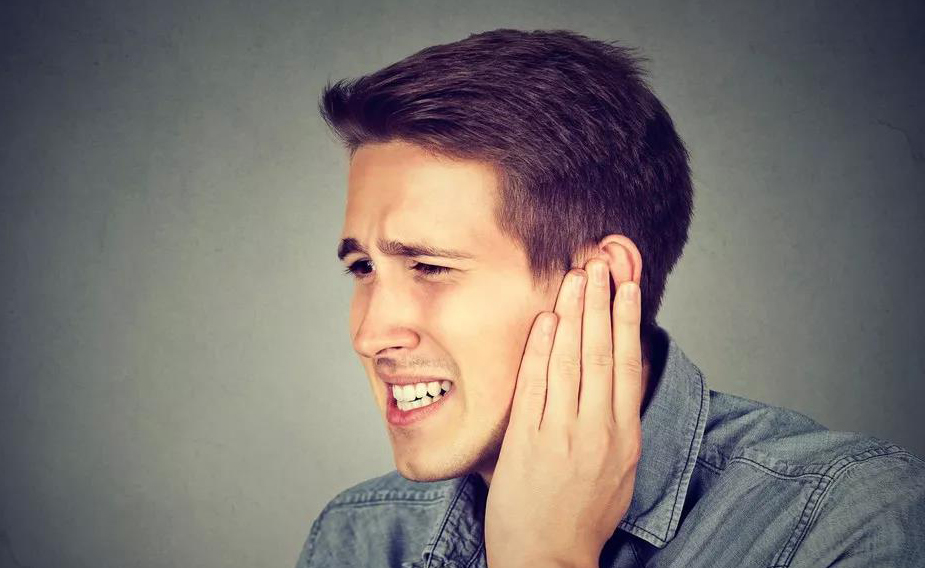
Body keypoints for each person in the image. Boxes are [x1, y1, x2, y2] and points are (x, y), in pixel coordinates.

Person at [296, 29, 924, 567]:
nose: (370, 334)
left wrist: (544, 556)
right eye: (362, 267)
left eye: (430, 267)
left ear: (598, 280)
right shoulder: (361, 535)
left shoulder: (848, 519)